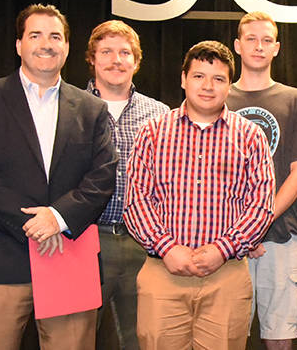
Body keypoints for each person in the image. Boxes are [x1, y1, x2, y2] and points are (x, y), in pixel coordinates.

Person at [0, 4, 118, 349]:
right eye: (36, 35)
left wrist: (58, 218)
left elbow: (102, 177)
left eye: (55, 36)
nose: (46, 44)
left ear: (68, 47)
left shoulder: (92, 109)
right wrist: (33, 222)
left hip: (68, 256)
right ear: (18, 45)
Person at [124, 40, 275, 349]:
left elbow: (260, 205)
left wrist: (222, 248)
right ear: (183, 79)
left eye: (218, 78)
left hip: (227, 275)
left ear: (229, 85)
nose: (208, 86)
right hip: (162, 271)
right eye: (198, 76)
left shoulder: (250, 136)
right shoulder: (152, 132)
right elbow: (136, 200)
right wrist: (167, 248)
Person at [226, 12, 297, 350]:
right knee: (224, 338)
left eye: (266, 40)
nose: (258, 46)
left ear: (277, 48)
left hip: (281, 238)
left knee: (279, 339)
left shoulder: (294, 100)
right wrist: (239, 233)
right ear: (237, 45)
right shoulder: (217, 97)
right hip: (223, 243)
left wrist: (256, 224)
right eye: (251, 39)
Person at [84, 20, 170, 350]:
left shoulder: (160, 114)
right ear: (92, 58)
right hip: (86, 243)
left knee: (143, 338)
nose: (116, 60)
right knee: (78, 336)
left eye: (125, 53)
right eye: (106, 52)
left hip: (143, 244)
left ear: (136, 60)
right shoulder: (70, 106)